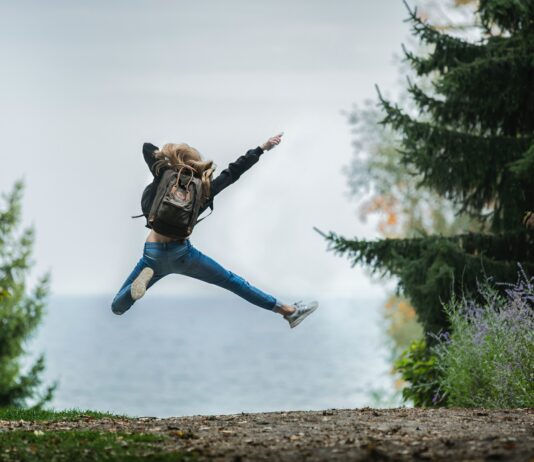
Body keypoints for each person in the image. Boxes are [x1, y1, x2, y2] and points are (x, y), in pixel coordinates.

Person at [111, 133, 318, 328]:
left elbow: (147, 148)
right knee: (233, 282)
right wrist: (261, 148)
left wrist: (168, 159)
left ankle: (134, 290)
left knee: (117, 307)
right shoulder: (204, 189)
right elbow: (234, 172)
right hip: (182, 255)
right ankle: (288, 311)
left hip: (153, 253)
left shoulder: (164, 174)